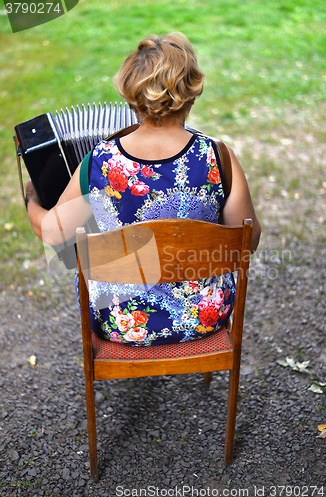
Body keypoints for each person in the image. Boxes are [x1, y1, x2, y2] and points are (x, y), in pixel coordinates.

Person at [25, 32, 261, 346]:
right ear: (191, 90)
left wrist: (32, 200)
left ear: (131, 92)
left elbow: (55, 235)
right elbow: (247, 240)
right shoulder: (218, 157)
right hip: (205, 316)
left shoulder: (100, 161)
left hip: (121, 322)